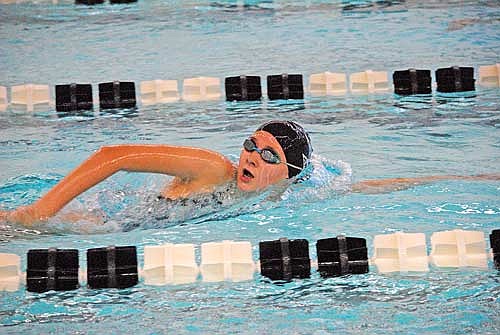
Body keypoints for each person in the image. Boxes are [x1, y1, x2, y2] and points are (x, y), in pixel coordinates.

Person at [0, 120, 498, 227]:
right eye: (251, 146)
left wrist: (471, 180)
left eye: (269, 156)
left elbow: (368, 189)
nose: (251, 159)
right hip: (86, 224)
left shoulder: (285, 198)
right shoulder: (213, 170)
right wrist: (39, 211)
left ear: (291, 175)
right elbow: (113, 155)